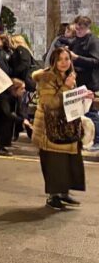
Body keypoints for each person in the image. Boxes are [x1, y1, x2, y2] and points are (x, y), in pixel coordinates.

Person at [32, 47, 93, 209]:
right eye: (60, 59)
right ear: (53, 61)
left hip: (68, 128)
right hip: (51, 129)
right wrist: (66, 87)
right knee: (55, 163)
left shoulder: (70, 76)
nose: (64, 62)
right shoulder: (47, 78)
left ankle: (64, 193)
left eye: (67, 59)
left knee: (68, 162)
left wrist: (84, 96)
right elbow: (49, 104)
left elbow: (70, 101)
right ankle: (53, 196)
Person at [67, 15, 99, 151]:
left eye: (81, 28)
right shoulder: (75, 41)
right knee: (79, 113)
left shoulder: (93, 42)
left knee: (91, 113)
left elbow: (95, 61)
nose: (78, 31)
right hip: (77, 82)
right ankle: (83, 138)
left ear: (87, 28)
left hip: (90, 82)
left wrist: (77, 58)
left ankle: (97, 140)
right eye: (77, 28)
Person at [0, 78, 28, 156]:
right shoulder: (3, 97)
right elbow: (6, 113)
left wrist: (24, 119)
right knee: (7, 121)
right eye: (22, 89)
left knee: (13, 120)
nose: (24, 91)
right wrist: (21, 120)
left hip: (0, 118)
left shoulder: (16, 98)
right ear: (15, 89)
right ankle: (0, 147)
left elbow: (20, 111)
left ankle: (5, 144)